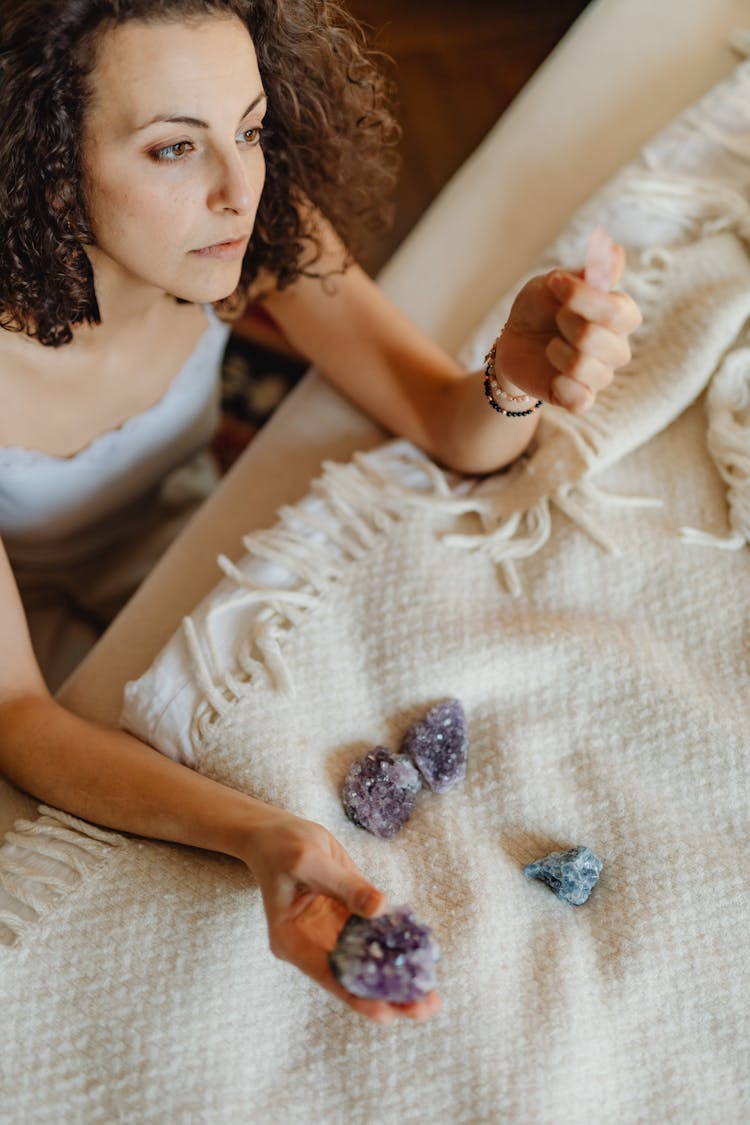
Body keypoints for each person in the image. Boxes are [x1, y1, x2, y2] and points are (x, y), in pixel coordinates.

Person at [0, 0, 641, 1024]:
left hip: (186, 547)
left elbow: (449, 422)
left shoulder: (252, 235)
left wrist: (515, 370)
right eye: (174, 148)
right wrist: (261, 837)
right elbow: (20, 721)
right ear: (38, 161)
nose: (237, 188)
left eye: (249, 129)